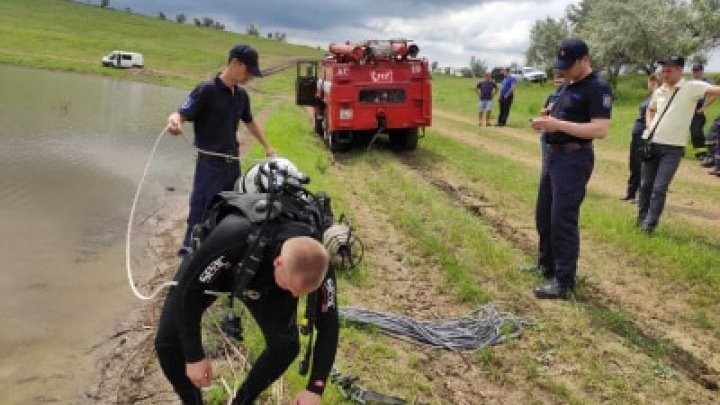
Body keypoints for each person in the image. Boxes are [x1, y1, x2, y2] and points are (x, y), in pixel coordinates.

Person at [154, 160, 338, 404]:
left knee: (286, 347)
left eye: (300, 294)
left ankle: (241, 401)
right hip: (225, 269)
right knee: (167, 343)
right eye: (292, 290)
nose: (294, 298)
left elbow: (329, 325)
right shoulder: (234, 234)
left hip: (266, 284)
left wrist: (315, 387)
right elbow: (189, 292)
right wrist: (194, 356)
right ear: (279, 263)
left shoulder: (317, 261)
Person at [167, 44, 276, 256]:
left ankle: (215, 252)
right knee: (200, 210)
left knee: (229, 209)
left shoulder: (242, 96)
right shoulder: (206, 90)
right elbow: (180, 114)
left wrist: (268, 147)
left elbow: (250, 122)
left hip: (232, 164)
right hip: (209, 166)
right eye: (248, 71)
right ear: (235, 63)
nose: (250, 77)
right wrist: (174, 122)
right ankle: (188, 257)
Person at [526, 38, 612, 299]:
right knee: (544, 215)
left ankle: (564, 280)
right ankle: (547, 265)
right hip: (553, 157)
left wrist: (558, 125)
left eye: (568, 65)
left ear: (584, 60)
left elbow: (600, 129)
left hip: (574, 160)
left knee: (562, 219)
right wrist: (547, 118)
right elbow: (563, 116)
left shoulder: (597, 87)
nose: (563, 71)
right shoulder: (569, 84)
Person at [638, 55, 720, 233]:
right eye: (663, 70)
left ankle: (649, 225)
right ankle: (641, 218)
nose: (665, 74)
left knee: (659, 188)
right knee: (645, 185)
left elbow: (715, 90)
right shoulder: (659, 90)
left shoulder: (692, 87)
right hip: (652, 144)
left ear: (680, 70)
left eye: (669, 70)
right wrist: (649, 124)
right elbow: (650, 109)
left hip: (672, 149)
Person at [620, 74, 660, 202]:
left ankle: (641, 195)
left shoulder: (659, 97)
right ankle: (631, 192)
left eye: (649, 82)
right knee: (634, 163)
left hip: (646, 134)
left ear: (654, 82)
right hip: (637, 133)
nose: (648, 85)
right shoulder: (649, 97)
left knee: (643, 165)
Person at [539, 72, 566, 159]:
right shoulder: (551, 96)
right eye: (556, 82)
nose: (558, 85)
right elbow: (543, 112)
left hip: (562, 127)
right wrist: (545, 111)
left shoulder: (567, 96)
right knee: (543, 137)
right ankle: (545, 160)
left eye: (561, 82)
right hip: (549, 126)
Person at [689, 64, 712, 159]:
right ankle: (680, 152)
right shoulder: (690, 83)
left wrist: (703, 107)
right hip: (688, 110)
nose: (695, 73)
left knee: (696, 131)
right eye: (694, 71)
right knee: (684, 131)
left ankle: (702, 154)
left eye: (697, 71)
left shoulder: (707, 82)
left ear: (702, 71)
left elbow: (713, 95)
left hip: (698, 111)